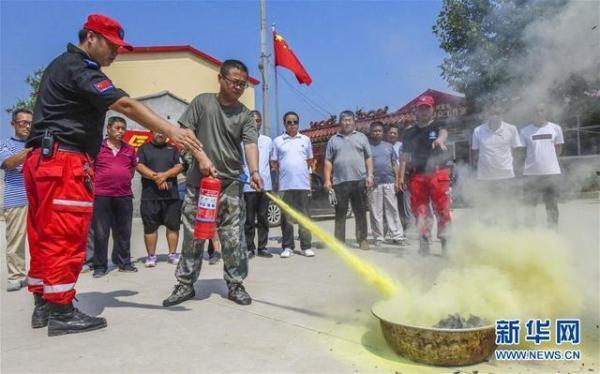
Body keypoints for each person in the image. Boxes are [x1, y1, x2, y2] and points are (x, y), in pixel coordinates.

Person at [23, 13, 201, 336]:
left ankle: (44, 304)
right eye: (111, 45)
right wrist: (172, 131)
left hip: (41, 160)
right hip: (64, 161)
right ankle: (62, 310)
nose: (116, 53)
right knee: (65, 235)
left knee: (43, 234)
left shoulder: (58, 66)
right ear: (90, 37)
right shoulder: (80, 68)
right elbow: (126, 105)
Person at [162, 59, 263, 308]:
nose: (239, 87)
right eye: (235, 82)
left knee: (232, 237)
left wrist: (255, 171)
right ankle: (185, 284)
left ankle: (235, 284)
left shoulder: (244, 115)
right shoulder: (202, 103)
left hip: (229, 184)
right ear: (221, 79)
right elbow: (185, 133)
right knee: (193, 235)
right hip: (199, 185)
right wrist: (200, 158)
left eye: (243, 84)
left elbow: (250, 144)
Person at [399, 95, 451, 255]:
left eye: (426, 108)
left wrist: (440, 141)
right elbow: (405, 156)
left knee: (442, 210)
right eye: (420, 108)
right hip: (417, 176)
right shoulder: (409, 133)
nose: (423, 111)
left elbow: (443, 134)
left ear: (432, 110)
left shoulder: (438, 125)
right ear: (416, 111)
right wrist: (401, 176)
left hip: (437, 173)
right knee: (420, 211)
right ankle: (424, 242)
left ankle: (446, 244)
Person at [91, 116, 138, 277]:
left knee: (124, 231)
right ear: (108, 129)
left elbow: (131, 170)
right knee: (101, 232)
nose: (120, 131)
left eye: (123, 129)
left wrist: (121, 178)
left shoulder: (129, 149)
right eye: (117, 128)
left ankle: (124, 262)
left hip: (124, 196)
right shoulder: (98, 148)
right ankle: (99, 266)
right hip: (102, 196)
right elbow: (89, 169)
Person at [323, 110, 373, 251]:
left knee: (360, 212)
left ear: (354, 121)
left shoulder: (362, 137)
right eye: (344, 120)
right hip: (340, 182)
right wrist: (327, 180)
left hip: (359, 180)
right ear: (340, 122)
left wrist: (370, 175)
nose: (347, 122)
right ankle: (339, 242)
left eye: (349, 120)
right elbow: (328, 161)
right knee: (340, 213)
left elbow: (368, 158)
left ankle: (362, 239)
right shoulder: (333, 140)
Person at [136, 131, 184, 267]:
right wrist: (157, 177)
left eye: (163, 132)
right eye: (157, 132)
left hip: (171, 196)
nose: (160, 135)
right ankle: (151, 257)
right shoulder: (143, 149)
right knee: (150, 227)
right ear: (152, 132)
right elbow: (139, 166)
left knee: (173, 226)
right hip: (150, 196)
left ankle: (172, 254)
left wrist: (164, 175)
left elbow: (180, 166)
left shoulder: (173, 149)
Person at [271, 111, 314, 258]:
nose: (292, 125)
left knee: (304, 217)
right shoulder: (277, 141)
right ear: (284, 124)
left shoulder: (306, 140)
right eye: (289, 122)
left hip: (302, 185)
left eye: (295, 122)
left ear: (298, 123)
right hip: (285, 186)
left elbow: (309, 161)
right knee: (286, 218)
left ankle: (306, 246)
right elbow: (274, 163)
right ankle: (288, 246)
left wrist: (308, 182)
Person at [471, 101, 522, 219]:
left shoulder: (511, 129)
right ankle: (490, 233)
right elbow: (474, 152)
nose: (494, 116)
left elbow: (517, 150)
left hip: (506, 175)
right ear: (487, 114)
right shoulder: (478, 131)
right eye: (492, 113)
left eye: (497, 113)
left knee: (509, 207)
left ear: (502, 114)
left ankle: (511, 232)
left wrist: (510, 164)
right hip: (485, 177)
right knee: (487, 208)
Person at [0, 109, 32, 291]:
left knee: (41, 240)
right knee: (16, 240)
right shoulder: (5, 144)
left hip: (39, 200)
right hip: (16, 198)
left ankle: (37, 273)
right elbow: (9, 164)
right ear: (13, 124)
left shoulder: (39, 144)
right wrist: (31, 149)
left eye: (29, 123)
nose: (27, 126)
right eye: (22, 122)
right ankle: (16, 276)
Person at [519, 103, 564, 227]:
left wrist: (548, 161)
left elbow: (558, 149)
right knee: (529, 206)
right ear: (531, 114)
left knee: (552, 205)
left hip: (551, 173)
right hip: (531, 174)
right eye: (536, 111)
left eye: (541, 110)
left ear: (546, 112)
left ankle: (553, 232)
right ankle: (530, 233)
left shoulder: (556, 128)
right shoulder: (524, 131)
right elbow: (522, 152)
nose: (539, 113)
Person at [367, 122, 406, 246]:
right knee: (376, 211)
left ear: (383, 132)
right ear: (371, 132)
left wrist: (398, 179)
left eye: (379, 130)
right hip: (374, 183)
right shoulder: (367, 147)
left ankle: (397, 236)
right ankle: (378, 237)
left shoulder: (389, 146)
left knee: (392, 209)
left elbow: (395, 164)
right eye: (375, 131)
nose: (377, 132)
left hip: (389, 181)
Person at [243, 110, 273, 258]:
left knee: (262, 217)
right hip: (248, 186)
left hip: (265, 186)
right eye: (254, 120)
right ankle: (249, 247)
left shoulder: (268, 141)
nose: (257, 123)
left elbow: (272, 162)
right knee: (248, 219)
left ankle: (262, 247)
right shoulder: (242, 141)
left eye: (259, 120)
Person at [387, 124, 412, 232]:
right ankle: (395, 231)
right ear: (387, 134)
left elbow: (405, 162)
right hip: (389, 179)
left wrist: (402, 178)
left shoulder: (402, 146)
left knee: (405, 206)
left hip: (402, 178)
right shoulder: (384, 146)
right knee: (392, 207)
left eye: (395, 133)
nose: (392, 135)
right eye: (391, 133)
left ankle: (408, 230)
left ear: (398, 135)